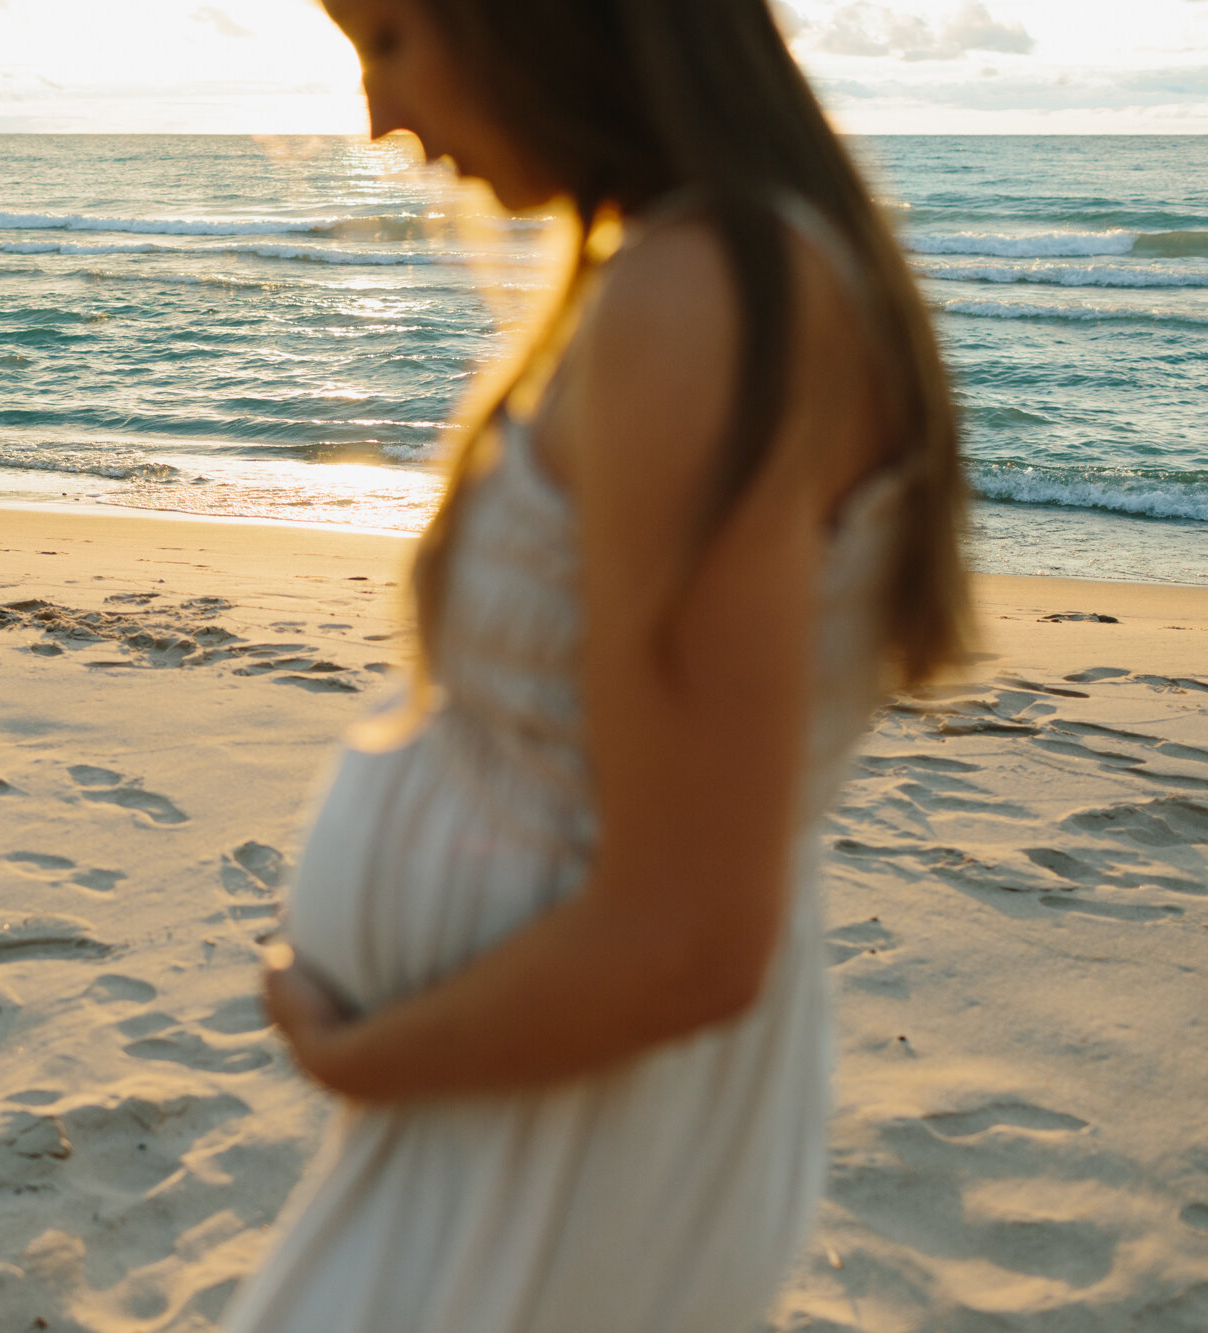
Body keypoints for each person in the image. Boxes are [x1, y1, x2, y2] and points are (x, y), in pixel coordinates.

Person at [227, 0, 971, 1328]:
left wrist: (365, 1055)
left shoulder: (712, 296)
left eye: (391, 38)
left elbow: (689, 940)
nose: (377, 117)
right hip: (534, 1117)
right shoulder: (694, 272)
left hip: (573, 1136)